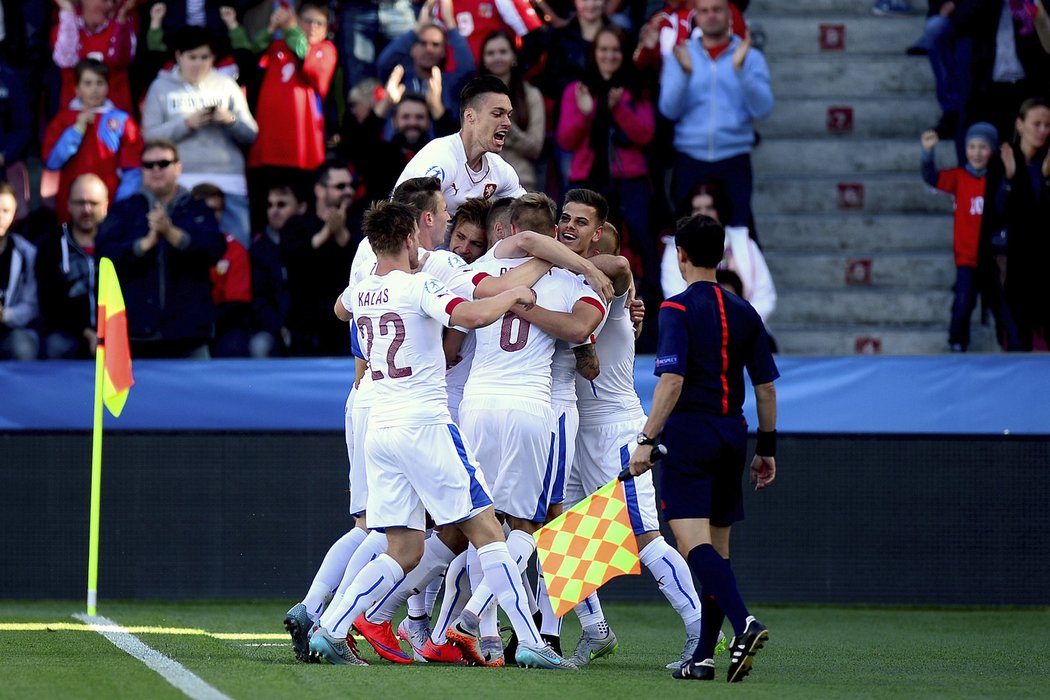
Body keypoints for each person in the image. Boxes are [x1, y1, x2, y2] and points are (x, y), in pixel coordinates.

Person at [307, 200, 576, 671]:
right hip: (425, 424)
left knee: (405, 548)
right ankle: (532, 641)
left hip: (382, 432)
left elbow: (338, 308)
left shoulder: (361, 290)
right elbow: (469, 317)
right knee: (490, 529)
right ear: (410, 239)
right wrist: (511, 298)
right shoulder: (418, 286)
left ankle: (331, 627)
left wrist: (365, 294)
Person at [629, 214, 778, 683]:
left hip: (689, 436)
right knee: (718, 549)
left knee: (693, 546)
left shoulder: (675, 309)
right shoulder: (745, 311)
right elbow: (768, 388)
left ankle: (744, 623)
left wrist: (647, 440)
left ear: (681, 256)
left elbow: (671, 380)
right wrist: (766, 448)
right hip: (733, 433)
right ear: (724, 256)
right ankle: (703, 658)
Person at [95, 139, 227, 358]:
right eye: (149, 165)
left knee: (196, 392)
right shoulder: (124, 210)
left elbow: (215, 249)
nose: (156, 170)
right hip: (136, 336)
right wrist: (143, 245)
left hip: (189, 335)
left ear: (178, 168)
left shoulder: (197, 208)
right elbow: (104, 256)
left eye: (163, 163)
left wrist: (171, 234)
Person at [557, 24, 657, 304]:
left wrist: (620, 109)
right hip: (587, 180)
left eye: (615, 50)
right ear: (594, 53)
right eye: (603, 49)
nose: (609, 55)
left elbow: (646, 133)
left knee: (638, 236)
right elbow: (565, 139)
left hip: (629, 179)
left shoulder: (636, 89)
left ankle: (639, 296)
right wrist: (587, 114)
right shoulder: (578, 90)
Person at [658, 0, 773, 235]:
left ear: (729, 15)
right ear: (696, 16)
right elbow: (668, 109)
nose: (711, 16)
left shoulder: (749, 57)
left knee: (738, 234)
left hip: (734, 158)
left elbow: (763, 109)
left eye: (717, 10)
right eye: (704, 11)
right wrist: (686, 74)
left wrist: (741, 71)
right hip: (690, 158)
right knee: (688, 237)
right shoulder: (680, 56)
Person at [141, 26, 259, 248]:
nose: (198, 64)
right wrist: (187, 123)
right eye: (192, 57)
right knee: (184, 251)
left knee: (237, 250)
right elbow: (150, 136)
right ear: (178, 56)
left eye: (204, 57)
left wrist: (229, 119)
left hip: (228, 179)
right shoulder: (160, 87)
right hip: (181, 180)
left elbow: (251, 133)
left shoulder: (226, 85)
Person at [247, 2, 338, 229]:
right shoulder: (277, 45)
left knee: (301, 214)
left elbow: (310, 67)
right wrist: (271, 28)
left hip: (303, 151)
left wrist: (290, 29)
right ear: (298, 20)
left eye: (320, 23)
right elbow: (251, 58)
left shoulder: (326, 50)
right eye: (307, 20)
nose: (313, 27)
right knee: (264, 212)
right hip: (268, 148)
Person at [396, 75, 527, 216]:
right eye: (497, 114)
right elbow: (409, 220)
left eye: (508, 115)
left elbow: (527, 214)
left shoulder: (500, 169)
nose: (507, 123)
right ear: (470, 116)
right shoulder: (442, 158)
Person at [921, 122, 996, 352]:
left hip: (994, 257)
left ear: (992, 151)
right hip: (967, 258)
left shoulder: (998, 179)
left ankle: (1013, 347)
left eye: (983, 147)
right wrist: (927, 152)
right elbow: (932, 177)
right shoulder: (959, 177)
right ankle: (956, 341)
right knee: (963, 301)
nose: (976, 152)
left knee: (1003, 306)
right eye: (972, 146)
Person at [43, 58, 143, 226]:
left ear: (108, 86)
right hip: (71, 204)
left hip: (110, 205)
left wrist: (119, 205)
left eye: (100, 83)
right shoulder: (62, 119)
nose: (94, 89)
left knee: (108, 251)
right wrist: (76, 130)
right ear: (77, 88)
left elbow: (133, 170)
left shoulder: (121, 120)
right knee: (72, 248)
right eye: (88, 83)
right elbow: (52, 162)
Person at [661, 181, 777, 326]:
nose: (703, 214)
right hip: (696, 331)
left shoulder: (745, 242)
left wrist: (742, 326)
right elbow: (674, 294)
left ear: (720, 210)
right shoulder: (676, 247)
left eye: (709, 207)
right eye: (697, 209)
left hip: (745, 330)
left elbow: (765, 295)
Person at [280, 161, 358, 356]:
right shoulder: (297, 224)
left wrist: (340, 233)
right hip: (306, 325)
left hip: (346, 325)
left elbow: (364, 264)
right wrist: (326, 233)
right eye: (340, 186)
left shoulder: (359, 224)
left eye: (350, 186)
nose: (348, 191)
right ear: (320, 190)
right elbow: (292, 260)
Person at [35, 174, 109, 359]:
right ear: (68, 204)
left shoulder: (119, 243)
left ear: (106, 205)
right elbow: (50, 304)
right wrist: (87, 333)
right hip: (69, 333)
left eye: (93, 203)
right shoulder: (50, 246)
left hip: (115, 332)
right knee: (56, 346)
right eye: (79, 202)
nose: (86, 209)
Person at [997, 98, 1050, 350]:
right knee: (1018, 337)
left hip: (1043, 262)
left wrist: (1047, 179)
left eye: (1048, 125)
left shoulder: (1046, 164)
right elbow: (995, 212)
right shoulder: (1004, 160)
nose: (1043, 131)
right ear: (1020, 125)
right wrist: (1008, 179)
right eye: (1036, 124)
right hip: (1013, 262)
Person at [377, 0, 476, 122]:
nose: (429, 49)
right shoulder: (400, 80)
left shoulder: (451, 84)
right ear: (412, 49)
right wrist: (417, 28)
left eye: (435, 45)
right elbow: (384, 62)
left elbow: (468, 70)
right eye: (423, 43)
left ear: (444, 52)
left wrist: (450, 24)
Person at [478, 30, 545, 191]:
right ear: (484, 60)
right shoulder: (473, 97)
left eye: (503, 52)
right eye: (491, 53)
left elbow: (535, 148)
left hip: (521, 182)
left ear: (514, 56)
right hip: (480, 185)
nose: (497, 57)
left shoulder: (531, 95)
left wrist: (507, 127)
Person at [191, 183, 252, 357]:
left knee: (233, 344)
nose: (212, 216)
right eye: (205, 210)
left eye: (216, 210)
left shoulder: (235, 250)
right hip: (182, 323)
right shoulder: (175, 245)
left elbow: (236, 305)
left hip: (221, 325)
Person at [249, 183, 306, 358]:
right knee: (260, 345)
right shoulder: (259, 247)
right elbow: (259, 298)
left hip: (309, 326)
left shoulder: (312, 240)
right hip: (274, 328)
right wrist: (279, 326)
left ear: (301, 207)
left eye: (281, 205)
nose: (274, 211)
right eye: (270, 205)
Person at [51, 0, 137, 114]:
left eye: (113, 1)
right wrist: (68, 10)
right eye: (104, 1)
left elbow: (121, 58)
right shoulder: (66, 28)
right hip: (74, 118)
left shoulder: (121, 27)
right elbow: (65, 61)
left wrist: (122, 22)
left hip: (115, 121)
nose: (110, 5)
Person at [0, 182, 39, 360]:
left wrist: (5, 315)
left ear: (14, 212)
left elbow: (31, 306)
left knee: (23, 346)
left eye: (5, 211)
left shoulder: (27, 253)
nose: (0, 217)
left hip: (12, 331)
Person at [447, 196, 491, 263]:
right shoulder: (429, 258)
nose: (464, 250)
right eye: (460, 237)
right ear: (452, 232)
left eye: (476, 244)